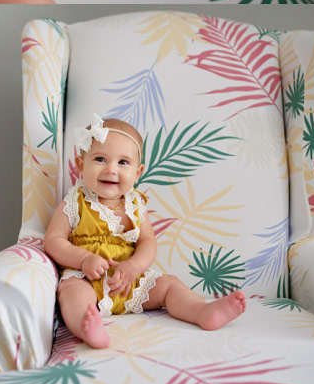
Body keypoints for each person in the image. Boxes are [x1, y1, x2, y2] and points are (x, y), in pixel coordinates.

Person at [43, 115, 246, 349]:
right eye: (100, 159)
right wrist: (84, 259)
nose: (111, 169)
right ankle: (88, 328)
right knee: (71, 294)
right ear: (81, 165)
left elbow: (147, 242)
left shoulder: (136, 205)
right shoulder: (74, 203)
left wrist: (135, 267)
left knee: (169, 284)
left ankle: (201, 311)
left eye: (123, 163)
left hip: (131, 282)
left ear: (138, 173)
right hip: (87, 278)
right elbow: (54, 240)